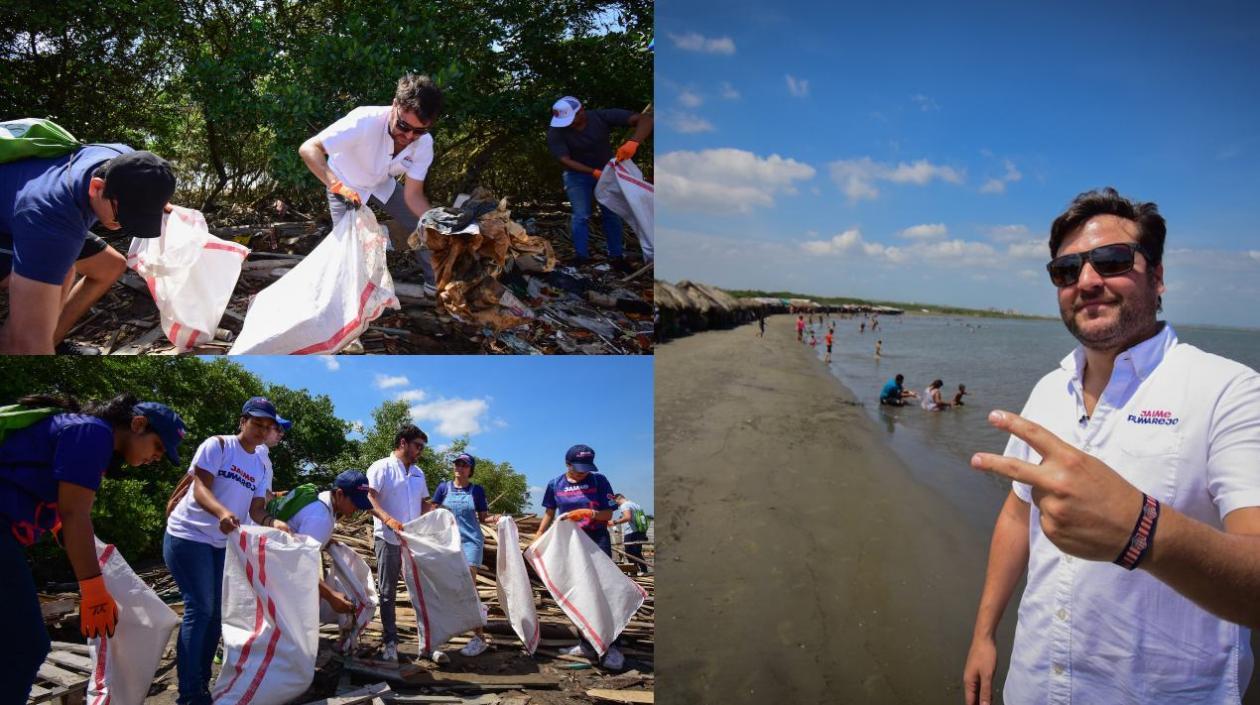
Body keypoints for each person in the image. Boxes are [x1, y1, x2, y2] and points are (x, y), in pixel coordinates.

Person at [964, 188, 1260, 705]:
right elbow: (1017, 517)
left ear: (1159, 276)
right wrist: (984, 635)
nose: (1087, 281)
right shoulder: (1046, 390)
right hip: (1033, 683)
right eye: (1067, 269)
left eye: (1112, 260)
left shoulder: (1229, 392)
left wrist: (1142, 530)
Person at [1, 393, 185, 703]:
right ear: (138, 424)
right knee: (26, 645)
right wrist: (93, 590)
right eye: (158, 447)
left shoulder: (82, 431)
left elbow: (58, 506)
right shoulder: (93, 433)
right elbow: (75, 514)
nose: (157, 458)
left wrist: (61, 528)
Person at [164, 396, 289, 705]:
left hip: (222, 543)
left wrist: (274, 522)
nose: (261, 430)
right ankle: (190, 694)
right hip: (188, 535)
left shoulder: (261, 464)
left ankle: (202, 684)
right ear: (242, 421)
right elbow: (200, 488)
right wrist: (221, 512)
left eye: (267, 426)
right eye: (256, 423)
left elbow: (257, 509)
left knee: (217, 615)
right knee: (200, 608)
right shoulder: (218, 445)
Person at [1, 147, 176, 353]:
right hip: (30, 221)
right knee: (62, 274)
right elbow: (29, 341)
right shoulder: (52, 223)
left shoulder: (122, 159)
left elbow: (147, 189)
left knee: (110, 266)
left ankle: (52, 340)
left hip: (31, 207)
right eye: (122, 217)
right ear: (96, 187)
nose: (121, 226)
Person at [299, 74, 444, 294]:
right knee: (350, 248)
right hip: (345, 182)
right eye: (403, 126)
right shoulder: (363, 121)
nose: (408, 136)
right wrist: (337, 186)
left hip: (381, 183)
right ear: (395, 105)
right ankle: (358, 295)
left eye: (419, 131)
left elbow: (413, 196)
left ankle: (436, 284)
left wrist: (440, 227)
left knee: (425, 227)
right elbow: (308, 149)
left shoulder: (423, 144)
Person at [536, 444, 624, 670]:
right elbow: (549, 513)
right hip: (570, 545)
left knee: (604, 591)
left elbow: (608, 512)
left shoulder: (598, 481)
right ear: (567, 464)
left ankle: (611, 644)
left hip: (596, 541)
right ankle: (586, 642)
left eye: (586, 468)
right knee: (578, 591)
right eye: (578, 468)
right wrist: (538, 537)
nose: (583, 472)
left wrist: (590, 513)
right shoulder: (556, 484)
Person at [547, 96, 653, 270]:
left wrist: (633, 142)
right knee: (581, 215)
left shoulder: (600, 116)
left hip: (607, 173)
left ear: (580, 111)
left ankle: (616, 257)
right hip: (577, 176)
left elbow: (645, 119)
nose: (567, 124)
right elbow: (564, 160)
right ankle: (581, 257)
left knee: (611, 214)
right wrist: (592, 172)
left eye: (570, 119)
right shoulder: (556, 131)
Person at [364, 423, 434, 663]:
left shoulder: (418, 473)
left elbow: (424, 502)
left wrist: (437, 514)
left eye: (422, 448)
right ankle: (391, 642)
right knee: (388, 592)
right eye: (417, 446)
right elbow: (369, 497)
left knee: (421, 591)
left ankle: (428, 642)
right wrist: (387, 519)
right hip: (388, 538)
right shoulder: (381, 467)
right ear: (403, 443)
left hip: (413, 540)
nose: (420, 452)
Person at [272, 470, 375, 615]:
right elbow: (301, 565)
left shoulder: (320, 498)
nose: (357, 508)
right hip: (277, 571)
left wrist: (326, 540)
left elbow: (302, 531)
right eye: (354, 502)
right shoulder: (321, 518)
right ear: (339, 494)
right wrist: (331, 595)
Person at [429, 453, 493, 660]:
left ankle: (479, 638)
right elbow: (432, 514)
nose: (460, 467)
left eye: (464, 465)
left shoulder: (476, 490)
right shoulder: (443, 488)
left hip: (471, 543)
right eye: (457, 463)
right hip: (448, 544)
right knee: (447, 587)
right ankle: (445, 632)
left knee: (469, 588)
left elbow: (484, 517)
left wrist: (501, 520)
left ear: (470, 469)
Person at [612, 493, 651, 576]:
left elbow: (627, 517)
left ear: (617, 499)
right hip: (640, 531)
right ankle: (644, 570)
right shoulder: (636, 505)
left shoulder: (624, 505)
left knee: (629, 553)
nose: (617, 505)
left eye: (615, 502)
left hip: (631, 532)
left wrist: (614, 522)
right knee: (637, 552)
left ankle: (634, 572)